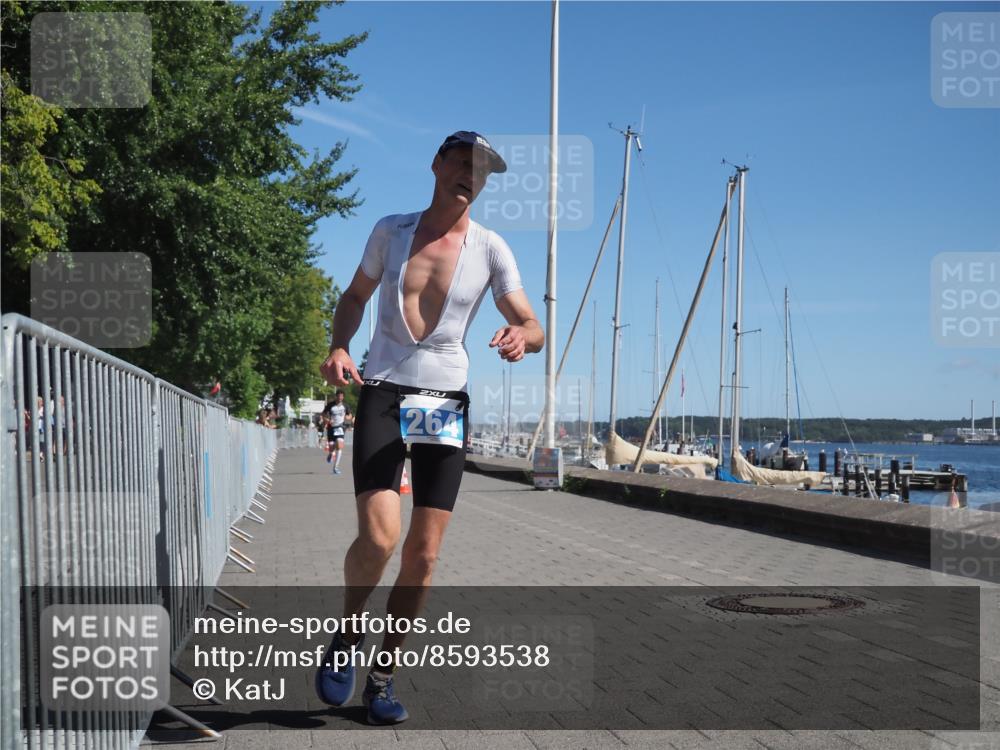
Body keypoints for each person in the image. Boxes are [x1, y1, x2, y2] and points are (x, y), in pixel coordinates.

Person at [316, 131, 543, 724]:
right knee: (380, 539)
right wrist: (339, 345)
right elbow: (355, 294)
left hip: (444, 399)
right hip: (385, 390)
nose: (471, 173)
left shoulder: (492, 249)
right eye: (462, 161)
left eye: (482, 168)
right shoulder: (391, 231)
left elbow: (532, 323)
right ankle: (346, 636)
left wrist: (524, 336)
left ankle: (382, 679)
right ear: (437, 165)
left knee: (423, 557)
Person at [322, 390, 353, 474]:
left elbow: (350, 415)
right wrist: (327, 420)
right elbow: (323, 414)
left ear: (343, 397)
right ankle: (331, 453)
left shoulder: (345, 406)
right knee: (332, 447)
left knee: (339, 446)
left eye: (341, 396)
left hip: (340, 427)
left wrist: (348, 417)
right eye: (338, 396)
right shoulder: (330, 405)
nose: (340, 398)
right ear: (336, 396)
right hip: (331, 428)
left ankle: (336, 467)